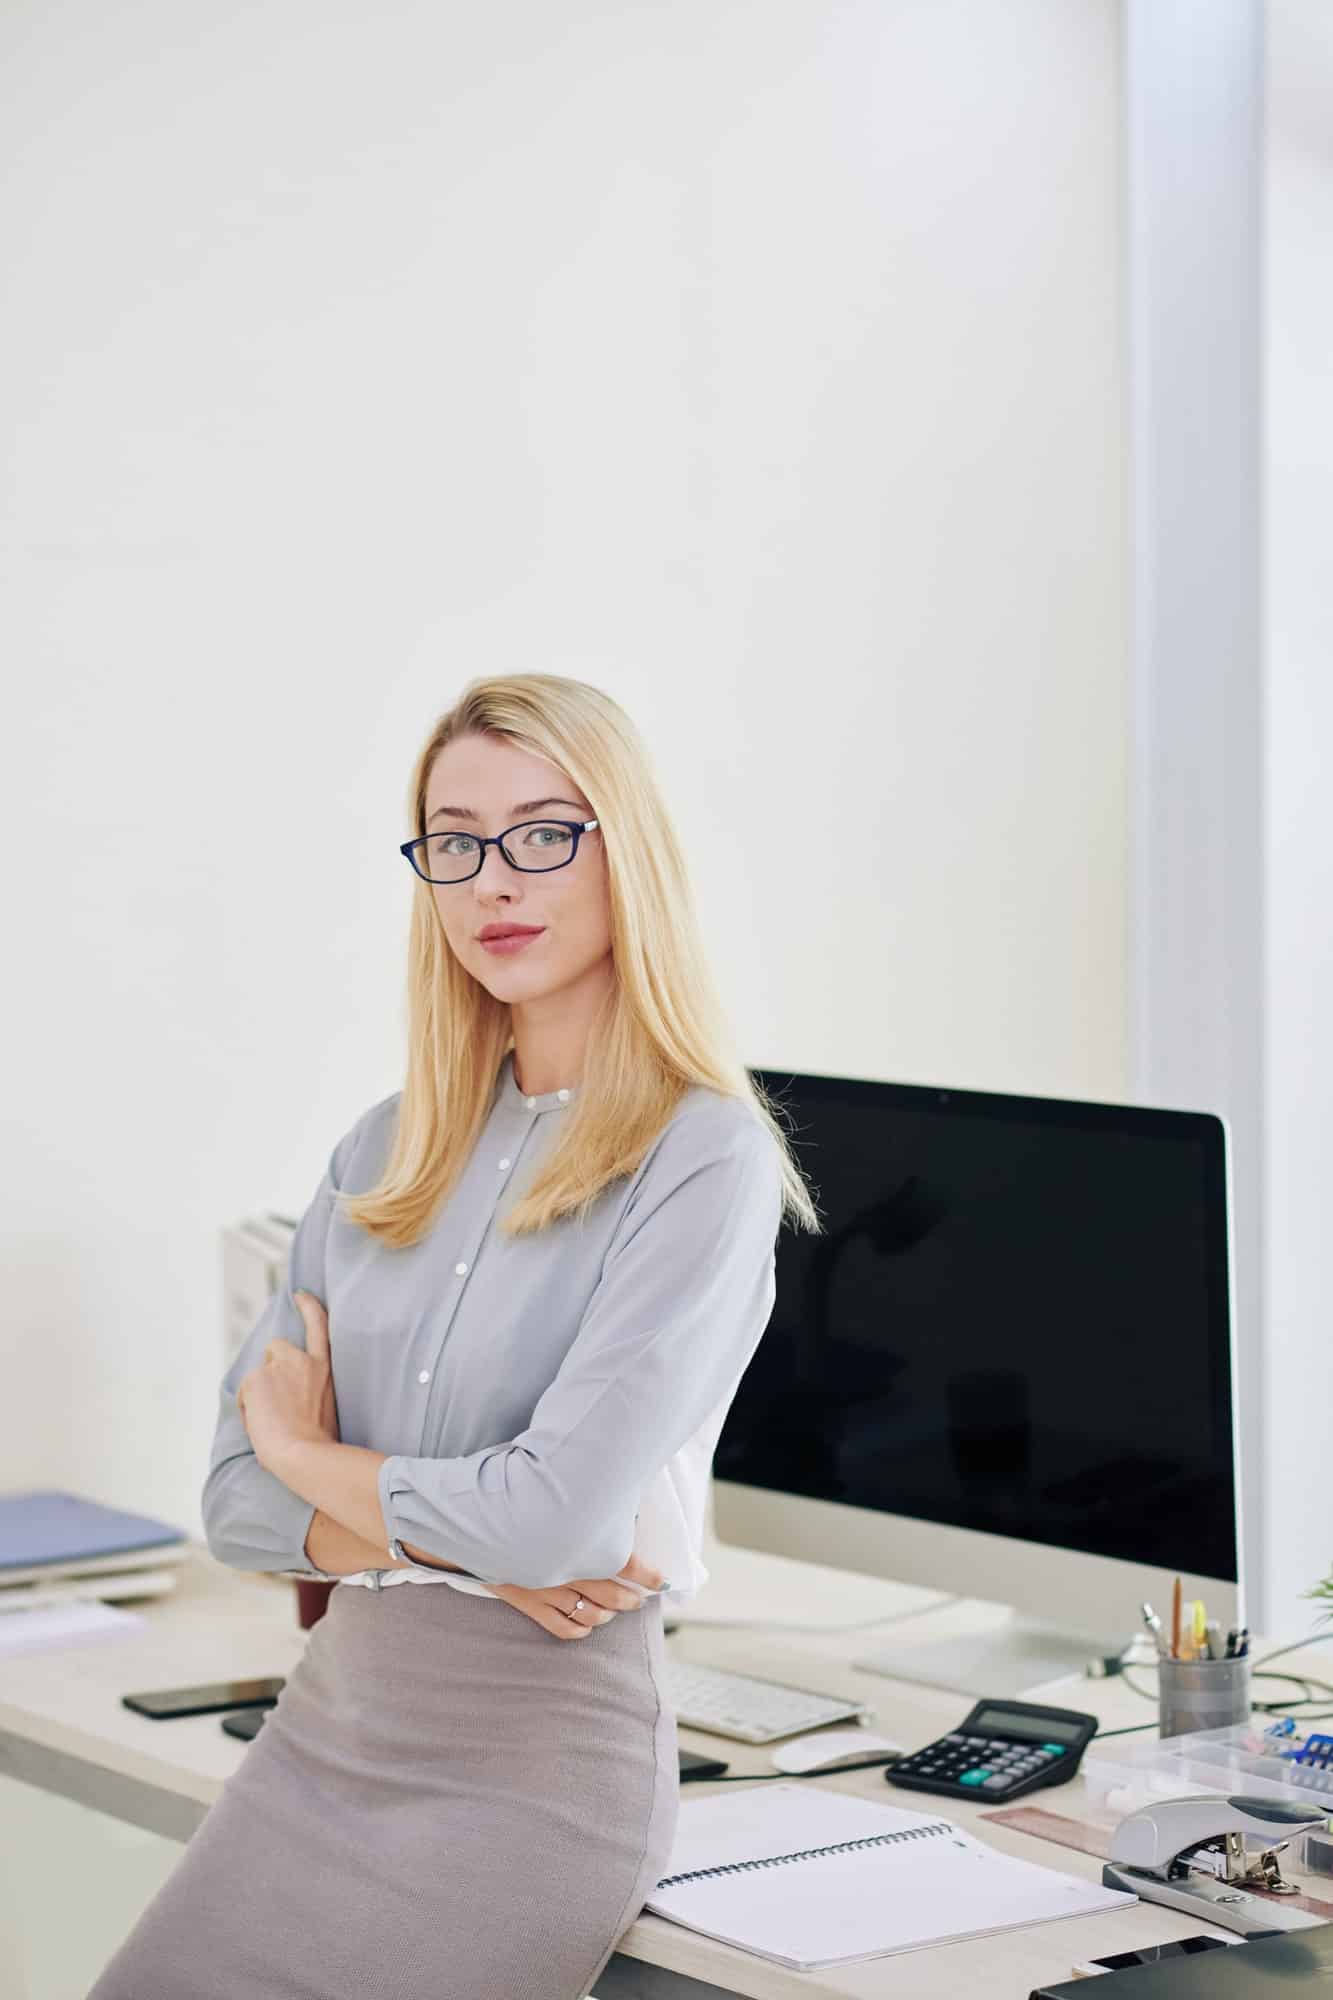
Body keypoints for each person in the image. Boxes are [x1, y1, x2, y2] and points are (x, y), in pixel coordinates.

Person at [89, 671, 819, 2000]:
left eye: (545, 832)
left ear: (627, 852)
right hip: (325, 1731)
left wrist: (309, 1454)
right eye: (455, 841)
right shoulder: (387, 1146)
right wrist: (471, 1536)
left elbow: (542, 1527)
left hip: (529, 1781)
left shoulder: (701, 1157)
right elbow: (231, 1509)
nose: (495, 880)